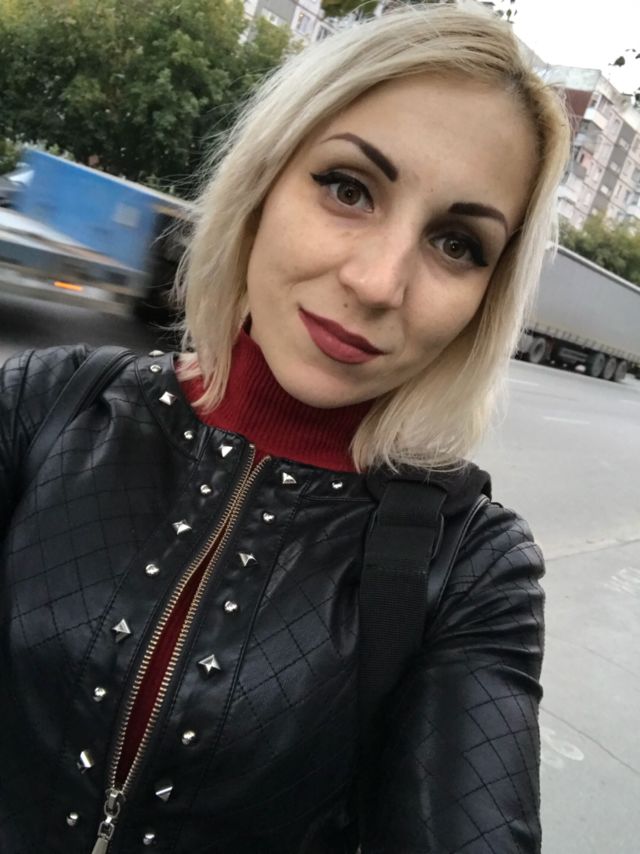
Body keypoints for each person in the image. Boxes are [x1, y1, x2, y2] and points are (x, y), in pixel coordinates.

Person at [0, 4, 570, 853]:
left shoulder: (470, 567)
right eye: (348, 188)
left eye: (456, 243)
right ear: (265, 181)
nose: (378, 282)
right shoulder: (48, 403)